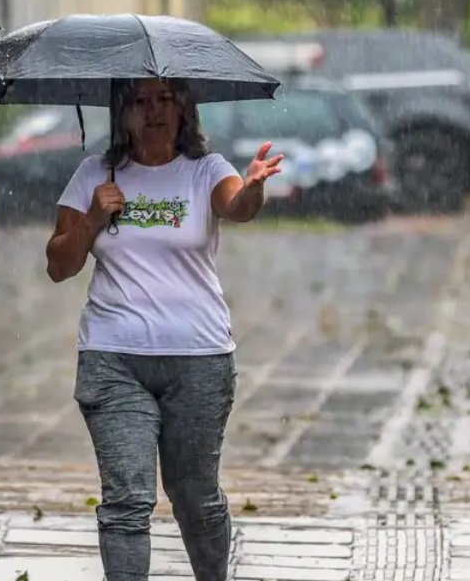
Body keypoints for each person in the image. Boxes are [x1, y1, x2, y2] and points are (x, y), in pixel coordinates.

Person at [45, 78, 283, 581]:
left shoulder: (207, 170)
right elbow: (59, 265)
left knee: (195, 498)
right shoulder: (93, 175)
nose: (153, 111)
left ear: (183, 109)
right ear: (122, 111)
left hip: (198, 359)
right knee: (127, 500)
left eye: (165, 100)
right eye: (140, 101)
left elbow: (236, 207)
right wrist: (92, 217)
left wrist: (255, 186)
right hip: (113, 358)